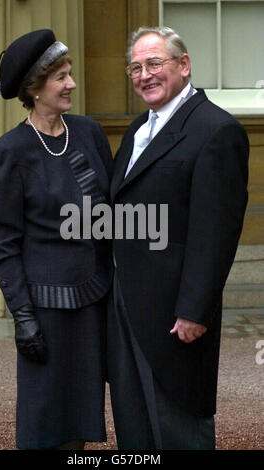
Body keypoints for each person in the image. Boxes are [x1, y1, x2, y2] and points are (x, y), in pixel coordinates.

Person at [108, 26, 249, 450]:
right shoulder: (136, 129)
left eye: (154, 64)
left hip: (176, 316)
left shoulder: (215, 130)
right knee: (135, 428)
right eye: (135, 67)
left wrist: (195, 309)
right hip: (125, 305)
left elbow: (216, 233)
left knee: (179, 429)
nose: (144, 75)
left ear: (183, 66)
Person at [0, 29, 113, 450]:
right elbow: (5, 244)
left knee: (80, 420)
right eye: (60, 76)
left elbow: (110, 218)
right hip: (44, 311)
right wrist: (22, 317)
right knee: (44, 423)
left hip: (93, 301)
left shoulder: (90, 133)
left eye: (70, 73)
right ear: (34, 89)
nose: (71, 84)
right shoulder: (10, 152)